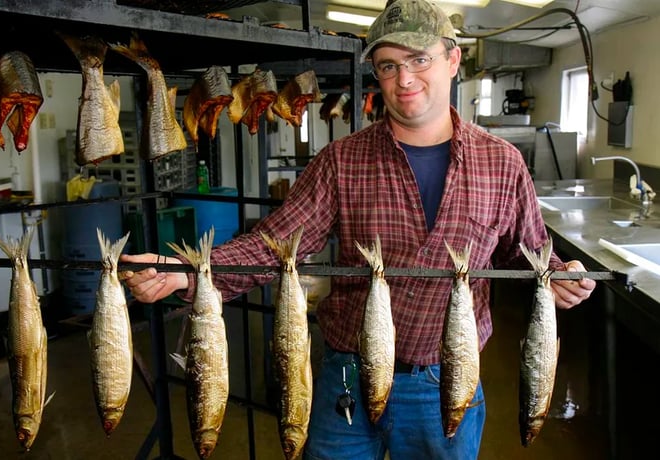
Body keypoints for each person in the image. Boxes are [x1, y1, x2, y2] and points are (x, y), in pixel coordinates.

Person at [121, 0, 596, 458]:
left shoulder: (502, 163)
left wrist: (560, 275)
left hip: (447, 378)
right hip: (346, 374)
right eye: (387, 66)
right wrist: (187, 272)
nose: (403, 78)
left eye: (419, 59)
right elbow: (274, 245)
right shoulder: (342, 161)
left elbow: (526, 251)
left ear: (453, 60)